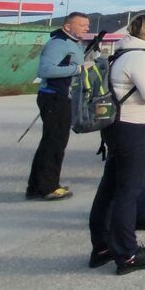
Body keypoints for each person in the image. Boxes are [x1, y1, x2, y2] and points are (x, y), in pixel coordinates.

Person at [89, 14, 145, 274]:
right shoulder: (139, 57)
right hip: (134, 127)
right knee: (128, 191)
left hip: (119, 126)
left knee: (110, 189)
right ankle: (127, 253)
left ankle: (103, 246)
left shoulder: (124, 53)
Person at [26, 11, 91, 201]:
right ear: (68, 26)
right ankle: (47, 187)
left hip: (62, 97)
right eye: (82, 25)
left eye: (87, 25)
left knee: (53, 142)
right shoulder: (58, 43)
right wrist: (79, 69)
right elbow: (45, 70)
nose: (86, 28)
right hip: (54, 97)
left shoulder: (73, 43)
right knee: (54, 142)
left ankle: (38, 185)